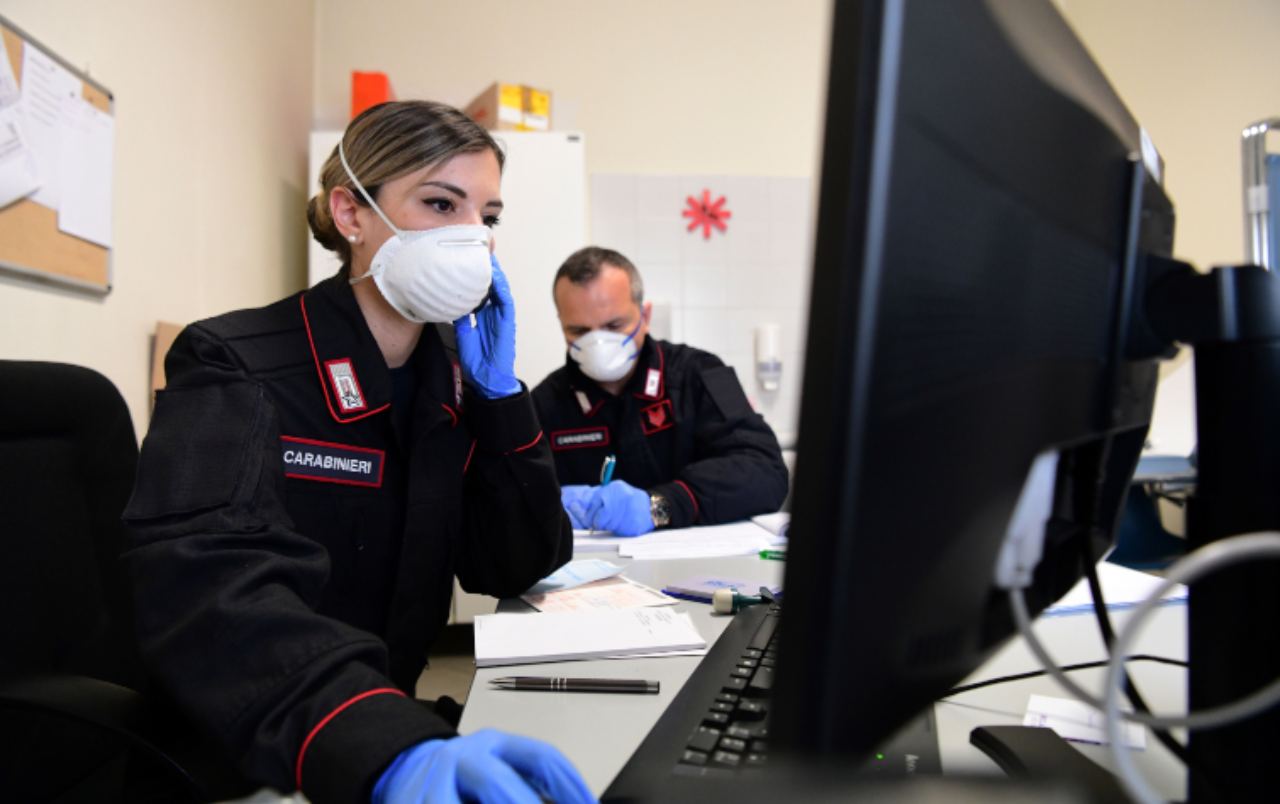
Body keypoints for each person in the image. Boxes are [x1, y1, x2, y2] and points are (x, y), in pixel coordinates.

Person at [122, 101, 593, 804]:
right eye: (440, 203)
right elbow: (211, 589)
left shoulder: (454, 377)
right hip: (250, 755)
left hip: (381, 731)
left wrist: (500, 402)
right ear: (351, 214)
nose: (472, 238)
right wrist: (383, 744)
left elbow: (514, 565)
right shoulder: (235, 363)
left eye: (487, 217)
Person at [532, 246, 789, 536]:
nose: (597, 344)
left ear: (645, 315)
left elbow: (766, 471)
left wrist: (661, 505)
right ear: (562, 325)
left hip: (697, 569)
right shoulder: (544, 404)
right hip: (594, 574)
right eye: (579, 331)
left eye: (613, 325)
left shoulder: (704, 373)